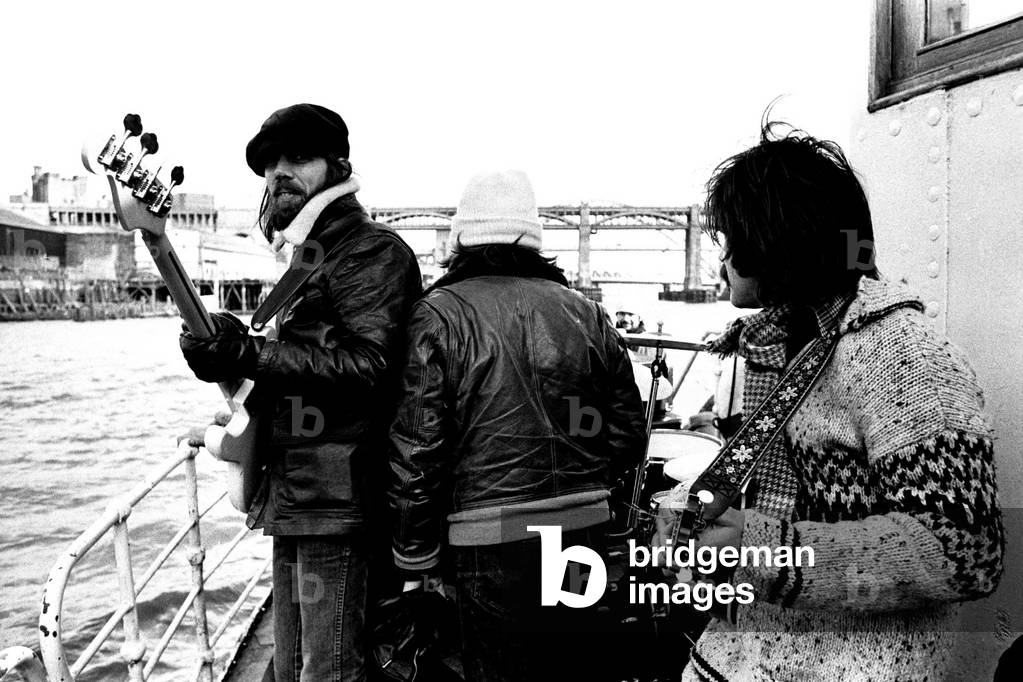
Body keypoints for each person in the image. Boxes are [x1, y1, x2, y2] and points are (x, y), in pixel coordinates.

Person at [674, 121, 1004, 681]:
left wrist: (757, 546)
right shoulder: (788, 343)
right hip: (762, 653)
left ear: (773, 243)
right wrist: (699, 509)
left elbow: (962, 550)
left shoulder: (903, 356)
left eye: (732, 241)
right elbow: (791, 500)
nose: (723, 260)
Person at [179, 103, 422, 682]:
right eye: (268, 164)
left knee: (328, 669)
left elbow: (369, 366)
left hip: (341, 502)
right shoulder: (313, 256)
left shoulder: (369, 251)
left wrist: (251, 353)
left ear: (337, 165)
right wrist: (221, 349)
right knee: (290, 668)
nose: (278, 173)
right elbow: (295, 372)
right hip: (299, 496)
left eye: (298, 158)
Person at [387, 170, 648, 682]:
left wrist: (416, 559)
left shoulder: (437, 316)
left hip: (490, 538)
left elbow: (418, 452)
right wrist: (583, 485)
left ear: (462, 238)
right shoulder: (587, 314)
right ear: (534, 239)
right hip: (580, 530)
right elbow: (628, 437)